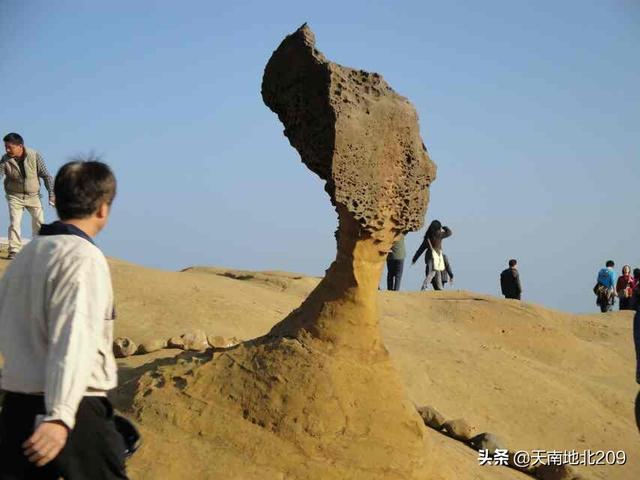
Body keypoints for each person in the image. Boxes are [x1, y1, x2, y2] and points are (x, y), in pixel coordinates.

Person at [0, 158, 128, 479]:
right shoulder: (83, 257)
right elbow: (74, 340)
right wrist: (59, 417)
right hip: (73, 410)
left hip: (16, 410)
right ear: (103, 209)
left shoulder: (25, 256)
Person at [1, 133, 55, 259]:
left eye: (10, 147)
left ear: (20, 146)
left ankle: (38, 249)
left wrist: (51, 194)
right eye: (5, 147)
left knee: (39, 221)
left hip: (33, 196)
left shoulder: (34, 155)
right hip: (14, 195)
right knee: (15, 222)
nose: (7, 150)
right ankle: (14, 250)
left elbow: (46, 176)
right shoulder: (5, 159)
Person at [412, 220, 452, 291]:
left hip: (429, 257)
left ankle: (440, 288)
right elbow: (449, 232)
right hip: (437, 256)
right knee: (433, 272)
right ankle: (424, 286)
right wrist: (444, 227)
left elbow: (421, 249)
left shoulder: (427, 236)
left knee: (437, 272)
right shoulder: (439, 234)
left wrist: (415, 258)